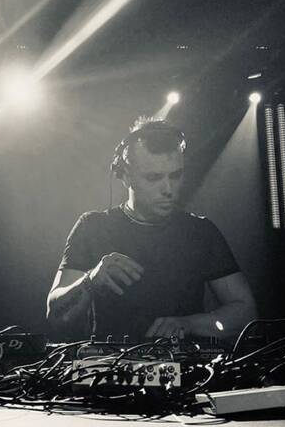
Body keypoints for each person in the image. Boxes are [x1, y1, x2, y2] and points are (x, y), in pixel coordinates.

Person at [46, 117, 256, 342]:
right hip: (111, 363)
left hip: (184, 363)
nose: (168, 189)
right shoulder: (93, 227)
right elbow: (56, 316)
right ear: (125, 176)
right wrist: (90, 282)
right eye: (154, 177)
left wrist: (187, 324)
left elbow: (246, 311)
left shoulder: (201, 232)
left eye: (175, 175)